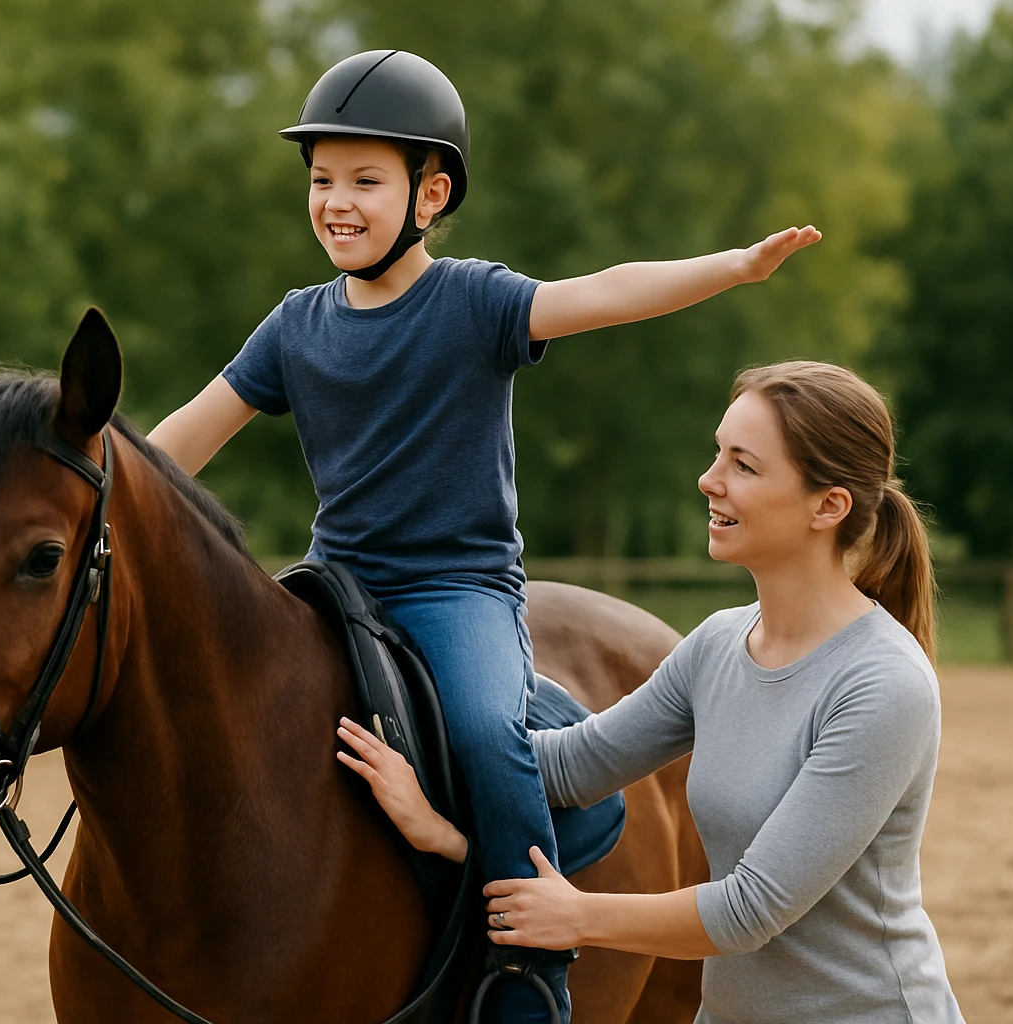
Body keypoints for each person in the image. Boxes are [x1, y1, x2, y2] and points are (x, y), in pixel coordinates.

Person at [147, 49, 820, 1023]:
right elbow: (177, 445)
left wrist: (738, 265)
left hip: (453, 590)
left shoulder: (475, 302)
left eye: (364, 181)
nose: (336, 201)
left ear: (431, 192)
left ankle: (527, 970)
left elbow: (609, 289)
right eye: (322, 179)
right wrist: (93, 483)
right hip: (336, 585)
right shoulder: (294, 327)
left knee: (485, 734)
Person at [337, 360, 967, 1023]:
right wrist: (431, 787)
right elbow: (566, 768)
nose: (709, 480)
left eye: (744, 466)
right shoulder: (719, 646)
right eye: (718, 452)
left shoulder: (883, 685)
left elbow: (750, 910)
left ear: (828, 506)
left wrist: (576, 917)